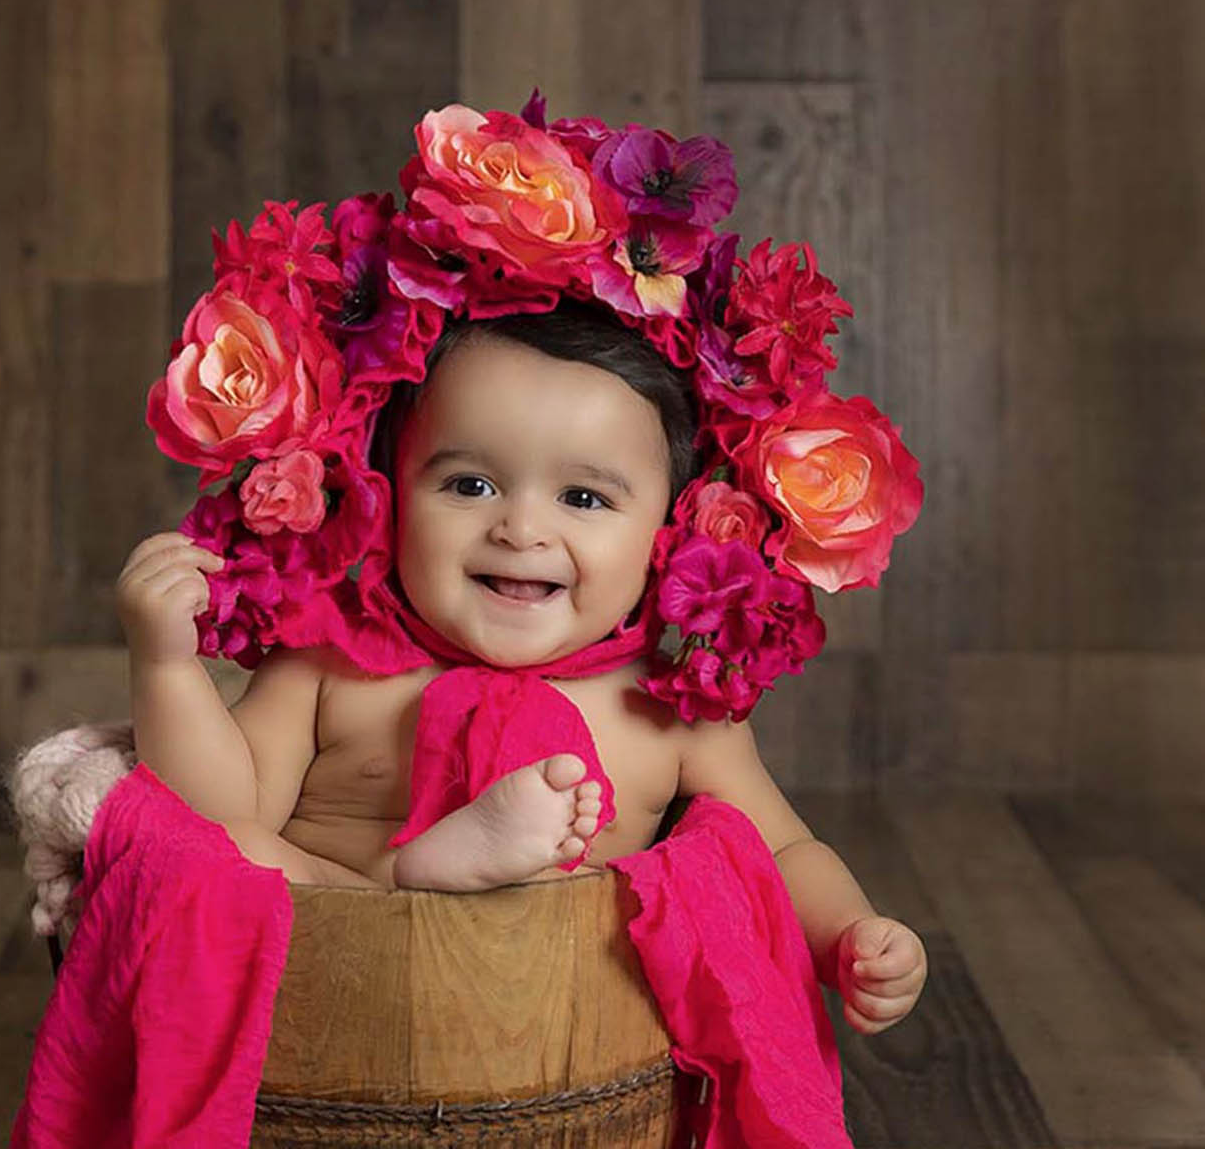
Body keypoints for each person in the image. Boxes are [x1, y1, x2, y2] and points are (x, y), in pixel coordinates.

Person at [115, 299, 927, 1038]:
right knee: (222, 856)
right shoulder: (332, 662)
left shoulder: (671, 706)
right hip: (338, 1000)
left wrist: (851, 935)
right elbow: (213, 816)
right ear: (388, 494)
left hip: (558, 1032)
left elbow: (782, 854)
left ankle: (438, 875)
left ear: (669, 534)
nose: (521, 528)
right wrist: (166, 665)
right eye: (470, 484)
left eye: (583, 499)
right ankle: (412, 878)